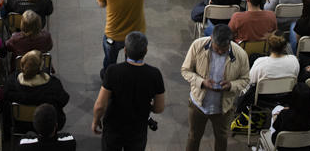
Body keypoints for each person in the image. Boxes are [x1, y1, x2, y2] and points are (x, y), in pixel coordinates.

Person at [181, 23, 250, 151]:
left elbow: (245, 79)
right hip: (198, 104)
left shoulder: (240, 54)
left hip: (223, 108)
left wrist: (231, 85)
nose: (219, 52)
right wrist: (202, 82)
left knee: (222, 138)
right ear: (211, 38)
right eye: (217, 49)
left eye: (223, 50)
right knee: (194, 137)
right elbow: (185, 70)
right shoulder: (197, 46)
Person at [92, 31, 165, 151]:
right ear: (146, 51)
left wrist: (95, 121)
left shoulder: (112, 71)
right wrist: (146, 105)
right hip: (137, 130)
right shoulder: (154, 74)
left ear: (125, 50)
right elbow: (159, 108)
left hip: (114, 128)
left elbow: (101, 105)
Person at [97, 0, 152, 79]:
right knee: (132, 62)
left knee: (110, 61)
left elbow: (101, 4)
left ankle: (108, 78)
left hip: (113, 34)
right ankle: (130, 78)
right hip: (135, 33)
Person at [5, 50, 71, 133]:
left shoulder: (11, 82)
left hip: (20, 123)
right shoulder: (53, 84)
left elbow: (7, 98)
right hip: (47, 124)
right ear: (40, 67)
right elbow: (63, 101)